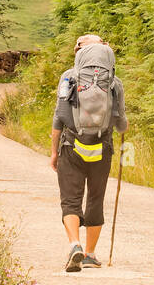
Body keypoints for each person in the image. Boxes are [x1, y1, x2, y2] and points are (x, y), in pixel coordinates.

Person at [50, 34, 128, 272]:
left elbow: (59, 117)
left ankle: (75, 244)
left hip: (71, 146)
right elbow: (121, 123)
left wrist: (54, 152)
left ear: (79, 53)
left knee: (70, 199)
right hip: (101, 148)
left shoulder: (68, 78)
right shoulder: (114, 82)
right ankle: (90, 255)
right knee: (95, 198)